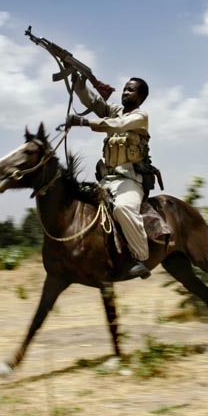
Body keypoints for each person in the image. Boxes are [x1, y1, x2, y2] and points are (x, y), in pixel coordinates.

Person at [66, 74, 153, 280]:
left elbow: (118, 125)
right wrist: (80, 84)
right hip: (105, 180)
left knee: (122, 208)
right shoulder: (115, 111)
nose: (125, 92)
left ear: (141, 97)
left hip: (129, 181)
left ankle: (139, 258)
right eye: (124, 89)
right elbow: (93, 102)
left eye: (131, 90)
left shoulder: (140, 117)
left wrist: (83, 122)